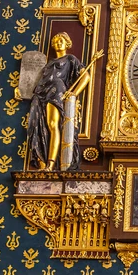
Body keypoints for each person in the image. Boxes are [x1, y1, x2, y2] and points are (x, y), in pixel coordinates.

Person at [27, 33, 88, 171]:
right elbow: (36, 83)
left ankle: (51, 164)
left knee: (53, 124)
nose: (58, 43)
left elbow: (86, 77)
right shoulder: (49, 64)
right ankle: (43, 161)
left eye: (62, 40)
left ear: (67, 43)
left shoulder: (70, 59)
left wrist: (73, 93)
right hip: (41, 93)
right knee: (40, 125)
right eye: (56, 41)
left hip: (57, 90)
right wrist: (22, 92)